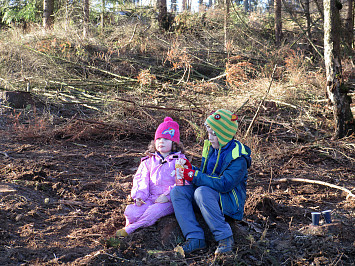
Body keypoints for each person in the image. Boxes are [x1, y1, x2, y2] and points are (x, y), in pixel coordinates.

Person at [171, 109, 252, 255]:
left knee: (202, 192)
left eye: (214, 134)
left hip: (228, 203)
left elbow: (224, 184)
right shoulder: (212, 149)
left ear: (225, 135)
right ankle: (195, 237)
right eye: (209, 133)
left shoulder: (238, 157)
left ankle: (225, 238)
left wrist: (193, 175)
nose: (211, 137)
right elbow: (205, 175)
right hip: (206, 198)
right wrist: (190, 168)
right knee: (178, 191)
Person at [115, 117, 187, 237]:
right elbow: (141, 179)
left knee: (153, 212)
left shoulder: (180, 161)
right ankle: (129, 224)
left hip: (168, 200)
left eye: (165, 139)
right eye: (158, 138)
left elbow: (182, 182)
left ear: (174, 142)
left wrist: (168, 196)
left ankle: (130, 229)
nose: (161, 142)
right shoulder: (148, 161)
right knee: (131, 212)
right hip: (149, 198)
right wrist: (139, 196)